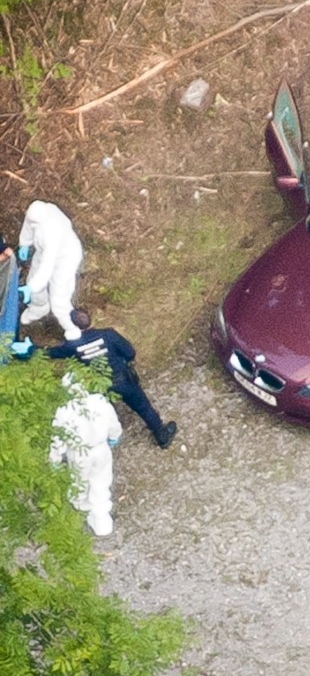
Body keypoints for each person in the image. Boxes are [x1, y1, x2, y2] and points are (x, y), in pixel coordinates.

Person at [45, 308, 177, 449]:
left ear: (73, 326)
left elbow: (52, 353)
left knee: (105, 412)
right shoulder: (108, 334)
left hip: (100, 387)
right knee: (143, 407)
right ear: (91, 318)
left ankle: (106, 438)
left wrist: (30, 350)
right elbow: (130, 353)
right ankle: (161, 435)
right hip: (124, 380)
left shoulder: (73, 346)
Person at [49, 374, 122, 536]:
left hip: (79, 453)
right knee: (101, 479)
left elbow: (58, 438)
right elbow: (113, 422)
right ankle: (101, 518)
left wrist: (55, 458)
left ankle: (81, 505)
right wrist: (114, 437)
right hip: (101, 449)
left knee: (79, 480)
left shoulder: (64, 411)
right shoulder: (100, 401)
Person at [17, 200, 84, 340]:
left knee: (59, 296)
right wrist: (25, 243)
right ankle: (39, 307)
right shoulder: (39, 212)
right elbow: (28, 226)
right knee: (33, 278)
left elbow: (47, 266)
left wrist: (32, 287)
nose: (32, 224)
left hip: (65, 258)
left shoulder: (53, 232)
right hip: (42, 252)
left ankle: (71, 328)